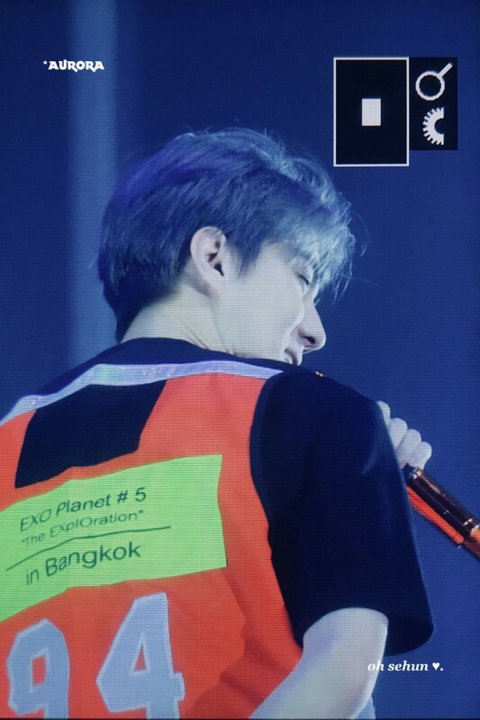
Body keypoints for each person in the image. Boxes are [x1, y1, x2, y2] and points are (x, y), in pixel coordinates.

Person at [0, 128, 433, 719]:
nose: (315, 332)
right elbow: (343, 670)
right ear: (215, 258)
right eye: (302, 280)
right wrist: (354, 468)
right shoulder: (314, 411)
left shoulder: (8, 439)